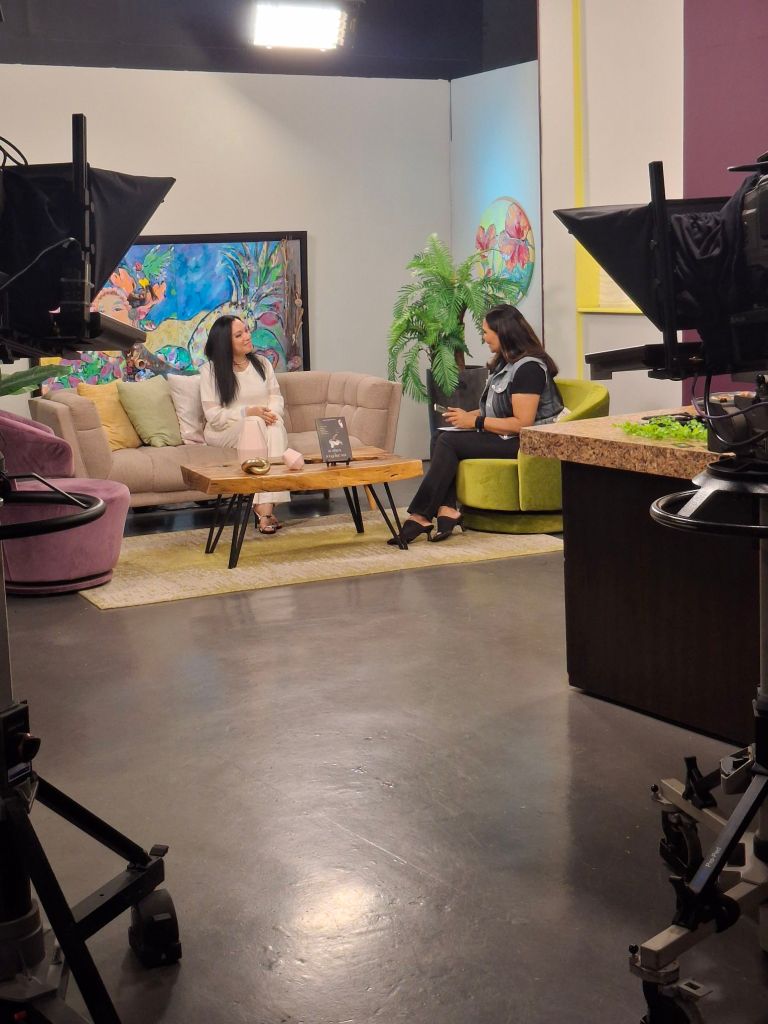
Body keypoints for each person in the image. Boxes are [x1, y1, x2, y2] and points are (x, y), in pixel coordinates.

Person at [390, 303, 563, 545]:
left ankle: (420, 515)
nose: (483, 338)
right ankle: (447, 509)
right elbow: (498, 409)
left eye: (485, 332)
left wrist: (476, 422)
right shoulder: (506, 364)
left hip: (528, 444)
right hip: (507, 437)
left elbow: (522, 424)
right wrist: (465, 416)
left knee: (449, 441)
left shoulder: (529, 368)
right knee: (441, 435)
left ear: (502, 333)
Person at [199, 314, 289, 534]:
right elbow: (214, 416)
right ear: (225, 342)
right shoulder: (210, 371)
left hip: (263, 424)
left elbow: (276, 398)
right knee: (254, 423)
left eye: (247, 331)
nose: (247, 336)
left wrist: (271, 414)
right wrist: (248, 413)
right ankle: (265, 508)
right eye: (239, 335)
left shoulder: (263, 364)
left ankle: (264, 507)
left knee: (275, 427)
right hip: (224, 430)